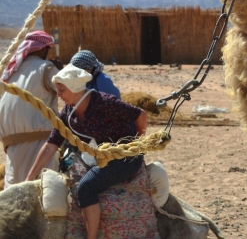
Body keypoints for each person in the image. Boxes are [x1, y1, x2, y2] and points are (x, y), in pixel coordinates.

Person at [27, 65, 148, 239]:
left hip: (124, 158)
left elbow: (141, 115)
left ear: (75, 89)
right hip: (101, 158)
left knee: (86, 188)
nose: (58, 95)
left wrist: (139, 145)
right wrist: (29, 177)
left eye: (62, 90)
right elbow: (51, 145)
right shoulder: (68, 113)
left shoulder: (105, 103)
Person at [0, 31, 60, 185]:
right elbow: (70, 92)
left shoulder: (9, 74)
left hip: (12, 148)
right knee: (43, 194)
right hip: (41, 143)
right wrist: (61, 72)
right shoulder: (45, 68)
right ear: (42, 49)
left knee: (14, 195)